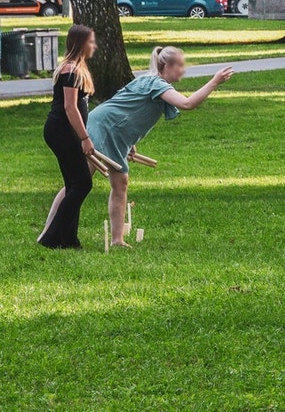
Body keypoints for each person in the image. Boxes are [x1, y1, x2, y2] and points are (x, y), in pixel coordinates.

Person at [87, 46, 233, 248]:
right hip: (102, 127)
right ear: (167, 66)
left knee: (120, 184)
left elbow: (130, 107)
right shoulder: (156, 83)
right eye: (180, 65)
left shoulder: (152, 83)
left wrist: (131, 142)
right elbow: (187, 104)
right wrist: (214, 81)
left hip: (116, 134)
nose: (183, 70)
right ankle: (54, 229)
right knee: (80, 182)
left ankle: (117, 240)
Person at [36, 26, 99, 249]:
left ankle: (68, 239)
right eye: (91, 42)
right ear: (81, 44)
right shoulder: (70, 70)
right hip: (61, 131)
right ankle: (51, 238)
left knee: (73, 184)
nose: (94, 46)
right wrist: (85, 138)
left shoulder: (76, 69)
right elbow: (70, 108)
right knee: (83, 184)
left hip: (64, 131)